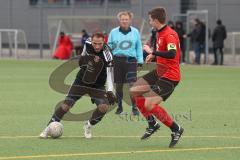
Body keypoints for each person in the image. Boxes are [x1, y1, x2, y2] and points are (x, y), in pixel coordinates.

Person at [40, 32, 116, 139]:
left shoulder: (108, 55)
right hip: (81, 81)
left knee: (103, 107)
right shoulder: (88, 42)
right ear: (92, 41)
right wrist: (82, 59)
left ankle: (88, 125)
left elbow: (110, 74)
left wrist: (110, 91)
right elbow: (84, 54)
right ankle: (48, 128)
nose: (97, 46)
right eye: (95, 43)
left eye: (100, 44)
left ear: (104, 42)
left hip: (97, 85)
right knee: (66, 105)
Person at [129, 7, 184, 148]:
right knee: (134, 91)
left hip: (170, 75)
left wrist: (153, 52)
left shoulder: (169, 34)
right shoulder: (159, 32)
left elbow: (172, 54)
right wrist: (154, 56)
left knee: (149, 104)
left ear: (156, 20)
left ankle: (175, 128)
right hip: (159, 71)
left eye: (150, 20)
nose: (149, 22)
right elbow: (165, 52)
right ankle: (152, 123)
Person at [108, 11, 143, 116]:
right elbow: (109, 46)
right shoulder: (113, 32)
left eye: (126, 19)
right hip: (117, 60)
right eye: (122, 19)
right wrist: (109, 59)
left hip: (131, 61)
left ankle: (134, 108)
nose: (124, 21)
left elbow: (139, 46)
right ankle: (119, 107)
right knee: (118, 86)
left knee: (132, 85)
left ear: (130, 20)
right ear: (119, 20)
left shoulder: (135, 32)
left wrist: (140, 59)